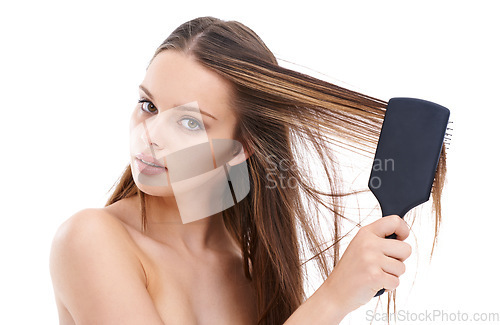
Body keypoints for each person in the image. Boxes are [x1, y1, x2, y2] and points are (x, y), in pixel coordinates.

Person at [49, 16, 446, 325]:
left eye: (189, 123)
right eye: (149, 106)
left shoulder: (251, 268)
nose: (150, 136)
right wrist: (332, 299)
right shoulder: (91, 240)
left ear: (242, 148)